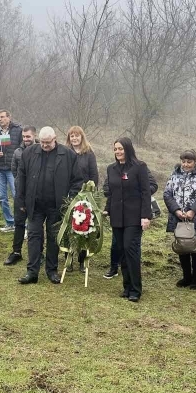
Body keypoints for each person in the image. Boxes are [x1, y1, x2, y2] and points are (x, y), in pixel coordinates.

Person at [16, 127, 83, 285]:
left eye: (48, 142)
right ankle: (32, 271)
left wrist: (69, 200)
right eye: (42, 142)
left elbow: (77, 181)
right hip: (35, 204)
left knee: (54, 238)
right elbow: (21, 178)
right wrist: (21, 200)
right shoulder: (29, 153)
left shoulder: (68, 155)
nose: (45, 145)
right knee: (33, 236)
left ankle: (52, 271)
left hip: (56, 205)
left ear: (55, 139)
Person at [104, 137, 151, 302]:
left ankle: (136, 289)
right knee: (121, 251)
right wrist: (106, 209)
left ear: (128, 149)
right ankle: (126, 286)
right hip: (117, 217)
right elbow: (111, 192)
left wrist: (146, 216)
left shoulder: (139, 167)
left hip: (134, 216)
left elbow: (146, 192)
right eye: (115, 149)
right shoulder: (111, 169)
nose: (117, 152)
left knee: (130, 250)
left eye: (120, 149)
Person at [163, 150, 196, 289]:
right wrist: (176, 210)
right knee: (182, 246)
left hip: (195, 217)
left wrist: (193, 210)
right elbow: (167, 193)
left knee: (195, 247)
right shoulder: (175, 173)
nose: (185, 164)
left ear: (195, 161)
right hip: (178, 216)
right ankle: (186, 277)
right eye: (183, 161)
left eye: (189, 162)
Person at [67, 125, 99, 272]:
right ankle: (68, 259)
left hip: (85, 196)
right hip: (70, 195)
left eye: (77, 135)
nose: (74, 138)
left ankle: (82, 260)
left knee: (85, 227)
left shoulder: (89, 153)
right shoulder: (65, 153)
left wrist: (91, 193)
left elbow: (94, 176)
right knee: (69, 227)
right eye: (72, 136)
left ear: (82, 137)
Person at [4, 125, 37, 266]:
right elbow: (14, 170)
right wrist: (20, 185)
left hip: (36, 195)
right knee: (19, 223)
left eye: (28, 136)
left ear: (34, 136)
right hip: (20, 194)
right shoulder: (17, 152)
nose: (26, 139)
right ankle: (16, 252)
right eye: (24, 136)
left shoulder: (40, 151)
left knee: (35, 226)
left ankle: (37, 254)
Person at [0, 110, 23, 232]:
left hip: (13, 169)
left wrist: (16, 156)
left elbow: (23, 147)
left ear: (9, 117)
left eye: (2, 117)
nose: (0, 119)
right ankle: (10, 223)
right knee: (2, 197)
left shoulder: (18, 130)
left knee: (17, 196)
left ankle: (22, 224)